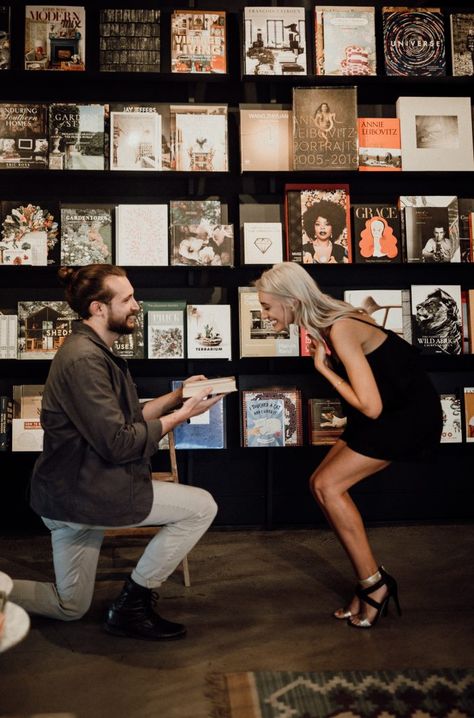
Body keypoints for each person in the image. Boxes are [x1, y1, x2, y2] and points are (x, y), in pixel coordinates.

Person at [10, 264, 223, 641]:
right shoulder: (84, 361)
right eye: (126, 299)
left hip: (71, 495)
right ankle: (131, 606)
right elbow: (119, 442)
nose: (136, 305)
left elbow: (126, 419)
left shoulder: (93, 351)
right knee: (201, 506)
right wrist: (182, 416)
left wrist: (178, 397)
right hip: (85, 494)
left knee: (69, 606)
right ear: (98, 308)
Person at [255, 262, 443, 629]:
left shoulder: (339, 327)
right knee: (319, 485)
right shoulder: (334, 319)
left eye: (266, 306)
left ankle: (374, 585)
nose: (263, 314)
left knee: (328, 486)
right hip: (384, 414)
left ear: (291, 302)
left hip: (403, 416)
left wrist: (323, 370)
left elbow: (371, 405)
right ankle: (370, 581)